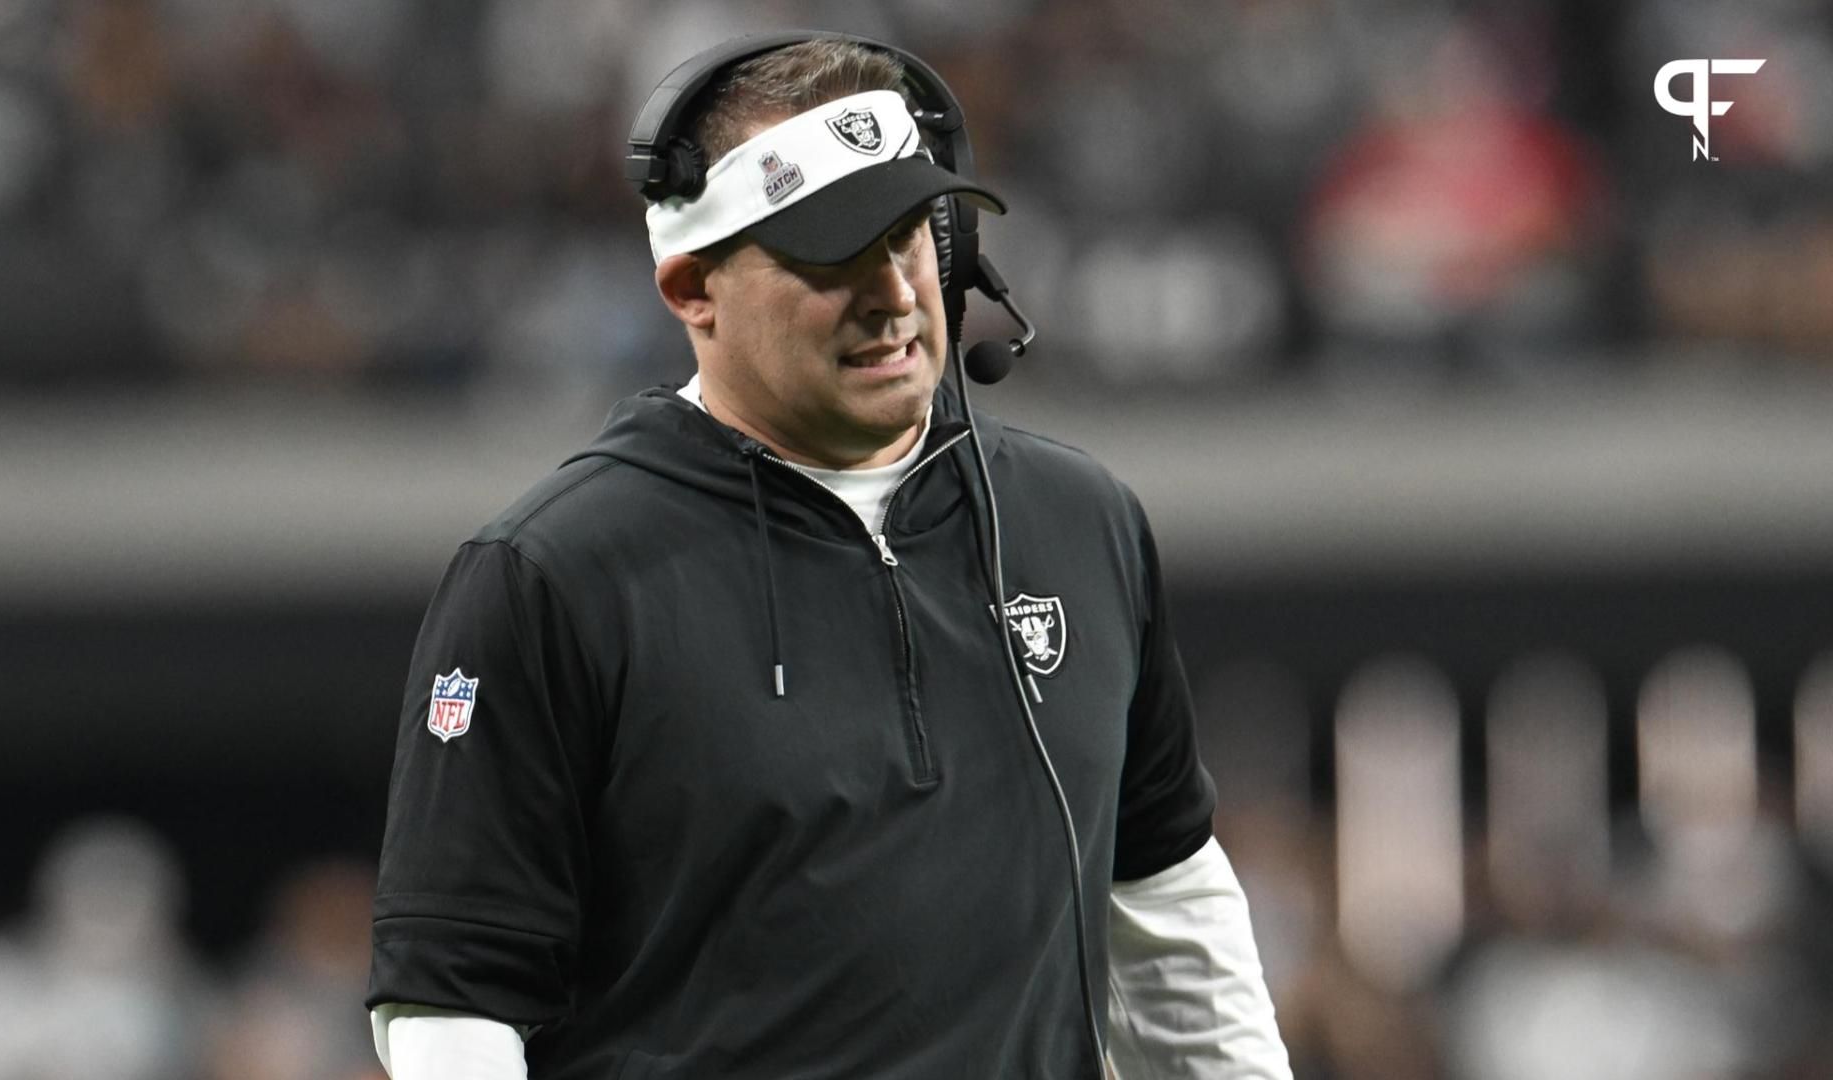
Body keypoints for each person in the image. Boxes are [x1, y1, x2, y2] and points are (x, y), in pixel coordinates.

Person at [367, 34, 1290, 1080]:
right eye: (830, 257)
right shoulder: (552, 577)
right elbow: (452, 1005)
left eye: (908, 238)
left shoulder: (1081, 522)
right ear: (691, 287)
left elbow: (1166, 900)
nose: (895, 295)